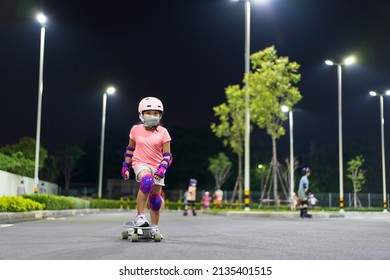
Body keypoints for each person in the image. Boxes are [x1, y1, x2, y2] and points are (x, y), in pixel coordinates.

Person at [121, 97, 172, 238]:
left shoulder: (163, 132)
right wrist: (126, 166)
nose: (152, 116)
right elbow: (130, 150)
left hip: (158, 167)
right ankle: (140, 216)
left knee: (156, 200)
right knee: (147, 182)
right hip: (140, 164)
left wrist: (162, 169)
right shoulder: (135, 130)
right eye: (148, 113)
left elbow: (167, 155)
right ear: (141, 114)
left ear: (160, 115)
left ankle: (155, 227)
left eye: (156, 113)